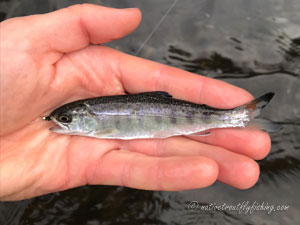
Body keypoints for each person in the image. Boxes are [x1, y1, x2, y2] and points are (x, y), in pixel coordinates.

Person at [0, 4, 271, 201]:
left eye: (67, 119)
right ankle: (238, 118)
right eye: (66, 119)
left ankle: (237, 118)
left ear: (85, 117)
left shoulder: (97, 124)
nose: (62, 122)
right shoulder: (91, 119)